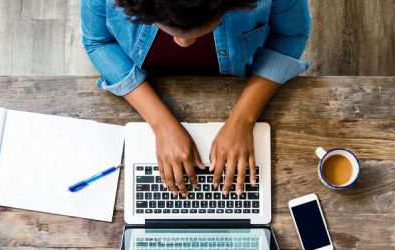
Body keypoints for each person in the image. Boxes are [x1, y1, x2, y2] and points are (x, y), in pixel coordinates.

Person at [81, 0, 311, 198]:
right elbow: (98, 42)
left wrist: (244, 119)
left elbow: (293, 34)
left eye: (200, 29)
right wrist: (161, 124)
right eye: (170, 28)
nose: (184, 44)